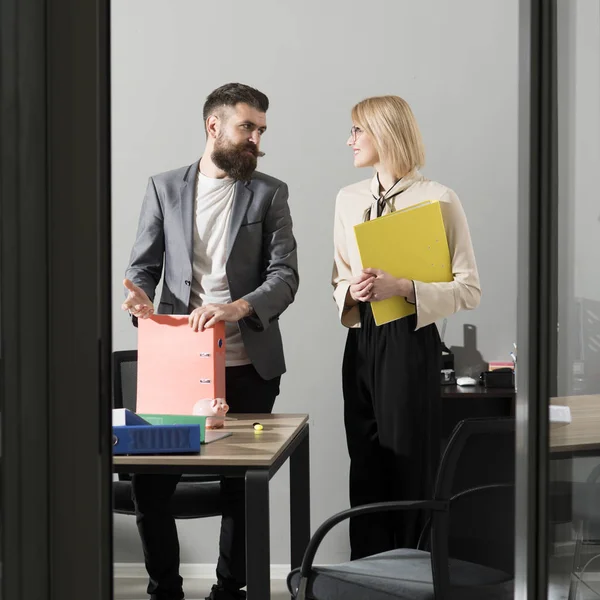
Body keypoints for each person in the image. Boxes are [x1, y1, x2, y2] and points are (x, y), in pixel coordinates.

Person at [122, 82, 299, 600]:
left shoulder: (270, 193)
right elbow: (143, 266)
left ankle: (229, 592)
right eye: (248, 127)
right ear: (213, 125)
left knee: (241, 490)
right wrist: (138, 299)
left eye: (261, 130)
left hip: (250, 364)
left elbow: (285, 276)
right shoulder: (164, 187)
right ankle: (165, 591)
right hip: (177, 362)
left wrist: (238, 308)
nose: (256, 140)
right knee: (151, 485)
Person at [331, 95, 481, 559]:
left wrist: (406, 286)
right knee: (365, 461)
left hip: (410, 339)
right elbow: (337, 277)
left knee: (408, 462)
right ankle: (368, 576)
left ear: (385, 133)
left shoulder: (438, 198)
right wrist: (350, 293)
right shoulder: (347, 199)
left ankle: (414, 574)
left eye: (358, 130)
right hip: (361, 339)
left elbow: (469, 288)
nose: (349, 140)